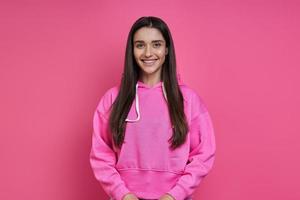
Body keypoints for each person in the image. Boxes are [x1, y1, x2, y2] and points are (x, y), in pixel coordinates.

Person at [89, 16, 216, 200]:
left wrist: (174, 195)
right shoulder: (112, 99)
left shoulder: (188, 100)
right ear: (131, 50)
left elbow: (204, 155)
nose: (148, 53)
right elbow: (101, 153)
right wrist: (123, 194)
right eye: (140, 45)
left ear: (166, 50)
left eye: (156, 44)